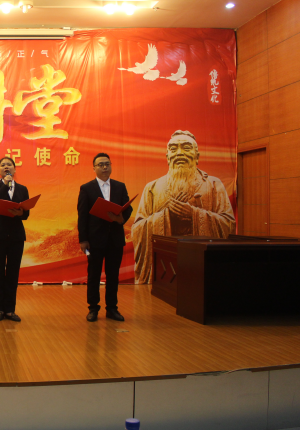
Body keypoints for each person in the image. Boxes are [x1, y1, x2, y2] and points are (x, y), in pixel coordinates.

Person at [132, 130, 235, 284]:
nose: (179, 153)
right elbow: (137, 229)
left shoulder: (213, 185)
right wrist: (166, 216)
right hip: (165, 262)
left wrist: (193, 214)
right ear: (167, 157)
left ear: (197, 156)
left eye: (186, 148)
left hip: (198, 258)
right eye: (173, 149)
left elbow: (228, 224)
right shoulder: (152, 188)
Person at [77, 152, 132, 322]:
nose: (104, 167)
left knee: (113, 275)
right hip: (94, 240)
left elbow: (127, 209)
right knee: (94, 275)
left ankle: (112, 309)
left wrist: (119, 218)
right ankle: (93, 308)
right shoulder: (87, 188)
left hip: (115, 238)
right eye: (100, 164)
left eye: (107, 164)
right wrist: (83, 239)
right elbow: (82, 216)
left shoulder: (120, 186)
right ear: (94, 168)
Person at [0, 157, 30, 322]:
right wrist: (5, 185)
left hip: (16, 237)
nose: (6, 167)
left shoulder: (22, 189)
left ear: (14, 169)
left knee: (13, 273)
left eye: (9, 165)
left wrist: (21, 213)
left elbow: (26, 213)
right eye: (3, 165)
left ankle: (10, 310)